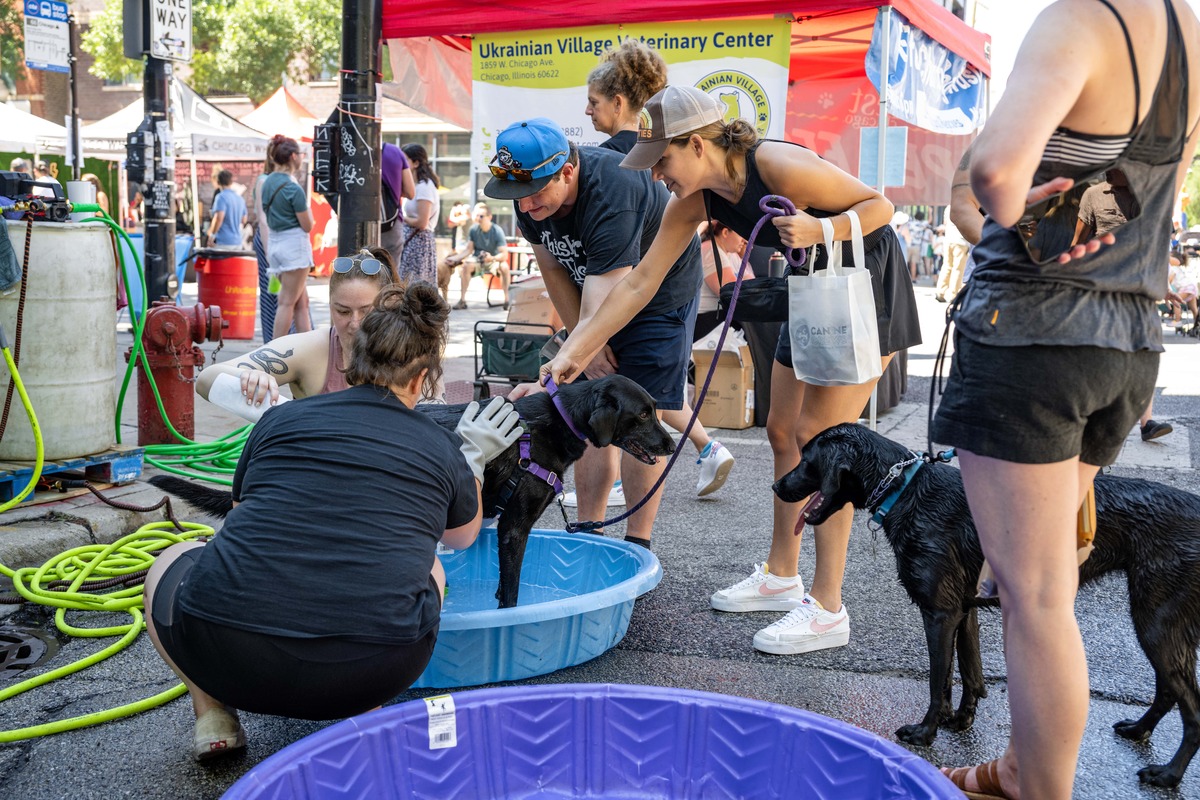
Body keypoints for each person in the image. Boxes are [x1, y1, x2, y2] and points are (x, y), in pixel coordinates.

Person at [929, 0, 1200, 797]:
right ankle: (1020, 764)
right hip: (1129, 341)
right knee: (1052, 576)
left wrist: (1016, 218)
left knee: (1034, 598)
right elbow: (1151, 186)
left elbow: (996, 177)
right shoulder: (1187, 29)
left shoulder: (1080, 16)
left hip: (1033, 341)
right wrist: (1081, 211)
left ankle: (1036, 786)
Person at [542, 86, 920, 651]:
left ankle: (829, 607)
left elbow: (880, 207)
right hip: (813, 286)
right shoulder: (695, 199)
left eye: (663, 161)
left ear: (697, 144)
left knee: (825, 440)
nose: (658, 176)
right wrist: (573, 352)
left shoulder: (777, 163)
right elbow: (640, 282)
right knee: (781, 430)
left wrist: (822, 230)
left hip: (862, 282)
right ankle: (781, 575)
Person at [144, 280, 523, 760]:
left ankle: (214, 715)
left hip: (227, 656)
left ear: (350, 359)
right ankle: (362, 721)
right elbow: (463, 536)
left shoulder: (278, 422)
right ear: (421, 376)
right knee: (434, 568)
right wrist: (470, 459)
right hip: (369, 670)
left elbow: (238, 524)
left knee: (171, 558)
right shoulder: (438, 444)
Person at [493, 117, 702, 547]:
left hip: (658, 300)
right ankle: (589, 532)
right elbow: (554, 268)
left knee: (642, 413)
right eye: (519, 197)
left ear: (567, 170)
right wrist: (584, 344)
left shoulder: (613, 191)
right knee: (586, 404)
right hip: (600, 293)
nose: (526, 207)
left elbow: (613, 294)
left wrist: (557, 370)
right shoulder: (527, 196)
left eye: (534, 194)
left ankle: (637, 543)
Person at [586, 42, 735, 497]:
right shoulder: (681, 199)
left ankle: (703, 454)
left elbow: (629, 273)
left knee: (648, 402)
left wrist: (589, 337)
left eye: (593, 102)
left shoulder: (612, 166)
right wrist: (585, 341)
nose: (656, 177)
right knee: (649, 399)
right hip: (655, 296)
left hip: (661, 301)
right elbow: (635, 277)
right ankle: (705, 450)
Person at [197, 248, 398, 407]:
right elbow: (206, 379)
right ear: (330, 306)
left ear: (389, 305)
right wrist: (247, 377)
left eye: (366, 311)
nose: (355, 323)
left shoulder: (406, 350)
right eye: (343, 311)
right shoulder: (313, 350)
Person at [261, 135, 314, 341]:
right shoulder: (293, 189)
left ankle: (307, 347)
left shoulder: (266, 183)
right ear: (293, 156)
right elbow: (307, 225)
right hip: (294, 248)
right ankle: (273, 352)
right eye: (300, 154)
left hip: (276, 245)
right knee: (287, 302)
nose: (301, 158)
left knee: (302, 302)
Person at [586, 40, 668, 154]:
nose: (587, 111)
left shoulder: (603, 156)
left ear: (617, 103)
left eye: (594, 102)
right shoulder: (662, 151)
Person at [443, 202, 509, 310]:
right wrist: (454, 258)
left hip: (493, 260)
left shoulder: (497, 231)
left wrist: (491, 258)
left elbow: (504, 255)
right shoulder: (474, 229)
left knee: (505, 267)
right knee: (466, 266)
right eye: (477, 215)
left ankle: (507, 300)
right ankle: (462, 300)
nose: (478, 218)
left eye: (481, 216)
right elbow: (468, 250)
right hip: (478, 260)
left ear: (489, 217)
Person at [247, 139, 279, 341]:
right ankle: (274, 341)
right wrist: (270, 254)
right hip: (270, 240)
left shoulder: (273, 179)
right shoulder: (264, 180)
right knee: (274, 293)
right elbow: (263, 219)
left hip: (275, 240)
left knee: (279, 294)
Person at [399, 143, 441, 286]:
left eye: (404, 160)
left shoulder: (424, 187)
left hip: (419, 243)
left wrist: (401, 218)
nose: (401, 164)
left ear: (416, 163)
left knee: (416, 288)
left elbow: (422, 222)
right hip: (412, 242)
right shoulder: (415, 186)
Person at [380, 142, 416, 268]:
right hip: (390, 223)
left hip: (356, 223)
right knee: (390, 273)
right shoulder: (394, 152)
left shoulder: (349, 146)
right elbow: (410, 192)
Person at [207, 170, 247, 248]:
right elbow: (244, 220)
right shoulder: (240, 198)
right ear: (231, 182)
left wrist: (212, 235)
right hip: (238, 241)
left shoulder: (221, 197)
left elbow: (219, 218)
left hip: (224, 241)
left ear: (218, 182)